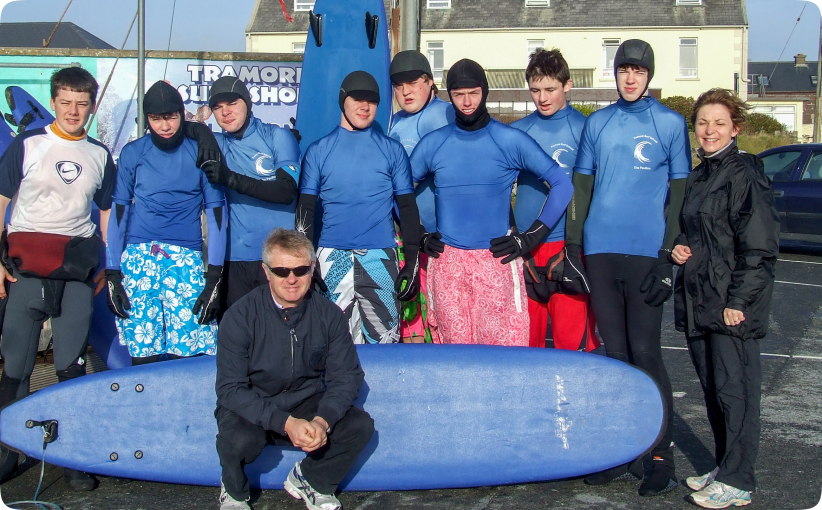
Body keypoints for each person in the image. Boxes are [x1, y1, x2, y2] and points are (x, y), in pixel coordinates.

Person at [559, 40, 691, 496]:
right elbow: (580, 187)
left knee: (646, 353)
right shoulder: (598, 122)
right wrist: (574, 245)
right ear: (614, 74)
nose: (630, 78)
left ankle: (660, 455)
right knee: (615, 354)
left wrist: (667, 255)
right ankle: (620, 450)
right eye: (624, 70)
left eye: (639, 71)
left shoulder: (669, 123)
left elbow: (680, 194)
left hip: (646, 253)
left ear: (649, 75)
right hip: (600, 251)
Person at [0, 67, 116, 490]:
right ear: (52, 102)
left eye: (82, 104)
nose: (73, 111)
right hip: (26, 272)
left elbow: (106, 213)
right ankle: (6, 452)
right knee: (16, 368)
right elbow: (1, 201)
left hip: (75, 274)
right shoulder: (28, 144)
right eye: (65, 102)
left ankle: (72, 456)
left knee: (70, 370)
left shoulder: (100, 154)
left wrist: (108, 265)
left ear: (92, 106)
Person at [410, 58, 573, 346]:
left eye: (474, 93)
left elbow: (562, 184)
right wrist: (419, 235)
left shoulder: (509, 140)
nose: (467, 102)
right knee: (453, 356)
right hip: (448, 264)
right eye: (458, 94)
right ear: (450, 95)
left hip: (496, 261)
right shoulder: (434, 144)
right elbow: (398, 193)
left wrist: (530, 238)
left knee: (502, 357)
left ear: (484, 91)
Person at [215, 228, 374, 510]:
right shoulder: (239, 316)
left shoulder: (329, 315)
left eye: (300, 270)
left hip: (305, 400)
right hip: (255, 402)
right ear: (266, 271)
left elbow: (347, 377)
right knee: (239, 439)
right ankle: (234, 490)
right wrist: (286, 423)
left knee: (359, 425)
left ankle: (312, 480)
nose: (291, 279)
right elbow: (230, 389)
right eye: (281, 271)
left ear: (312, 269)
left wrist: (322, 421)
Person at [672, 89, 778, 509]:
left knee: (737, 393)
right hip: (700, 299)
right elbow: (696, 232)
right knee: (714, 389)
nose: (709, 130)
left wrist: (739, 301)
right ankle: (724, 465)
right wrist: (678, 247)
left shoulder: (745, 174)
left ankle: (738, 481)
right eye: (702, 122)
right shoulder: (701, 175)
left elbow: (760, 248)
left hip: (731, 305)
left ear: (735, 128)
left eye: (719, 123)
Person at [295, 71, 422, 345]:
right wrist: (306, 261)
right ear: (343, 100)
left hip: (380, 257)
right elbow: (305, 211)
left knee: (385, 344)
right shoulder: (318, 151)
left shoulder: (392, 150)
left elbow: (407, 208)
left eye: (372, 101)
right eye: (358, 99)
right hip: (332, 257)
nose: (365, 107)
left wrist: (412, 261)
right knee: (334, 346)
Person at [105, 81, 226, 365]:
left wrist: (214, 277)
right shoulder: (133, 153)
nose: (165, 126)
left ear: (182, 114)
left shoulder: (200, 151)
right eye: (156, 119)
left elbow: (217, 214)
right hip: (139, 259)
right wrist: (112, 273)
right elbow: (119, 212)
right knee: (143, 355)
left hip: (185, 260)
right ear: (147, 119)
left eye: (171, 117)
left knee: (189, 353)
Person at [184, 76, 304, 312]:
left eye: (232, 104)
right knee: (238, 332)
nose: (225, 112)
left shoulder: (277, 136)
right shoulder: (217, 143)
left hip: (279, 259)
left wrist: (230, 179)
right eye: (217, 107)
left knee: (282, 332)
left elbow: (286, 191)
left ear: (247, 104)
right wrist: (200, 131)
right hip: (235, 260)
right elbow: (176, 127)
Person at [511, 48, 600, 351]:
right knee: (525, 350)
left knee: (573, 351)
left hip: (567, 248)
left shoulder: (585, 130)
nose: (542, 98)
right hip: (527, 249)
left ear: (568, 85)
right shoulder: (518, 131)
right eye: (535, 90)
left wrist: (579, 246)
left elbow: (593, 192)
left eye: (550, 89)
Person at [387, 50, 455, 343]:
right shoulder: (392, 123)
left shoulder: (446, 114)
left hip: (446, 241)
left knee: (446, 323)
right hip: (409, 237)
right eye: (399, 86)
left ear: (429, 82)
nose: (406, 92)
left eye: (413, 83)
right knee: (412, 320)